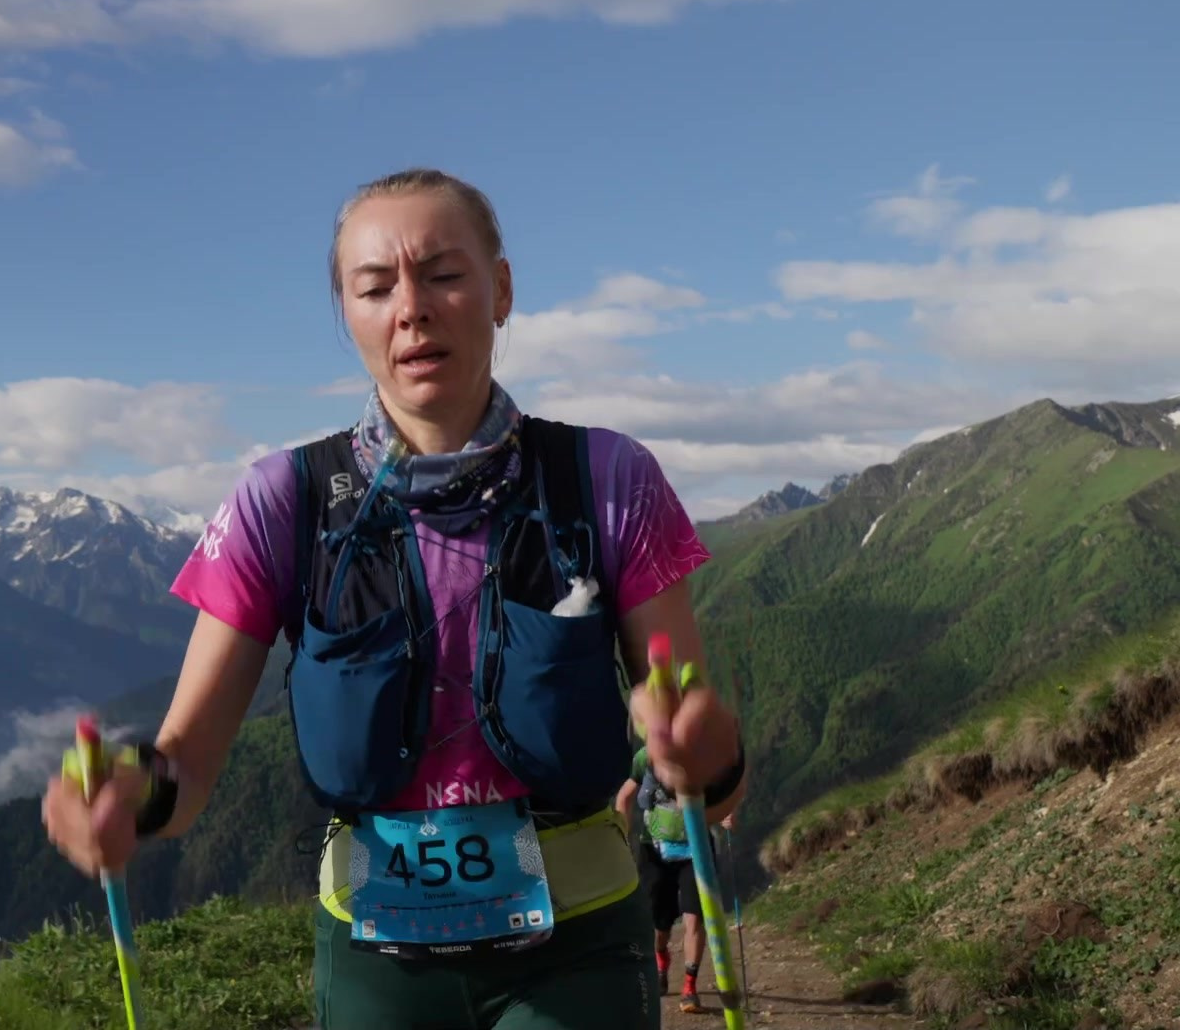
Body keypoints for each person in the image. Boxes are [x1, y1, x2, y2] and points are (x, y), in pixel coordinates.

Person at [41, 167, 747, 1029]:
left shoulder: (607, 479)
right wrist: (131, 797)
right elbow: (186, 764)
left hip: (582, 946)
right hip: (376, 959)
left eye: (444, 273)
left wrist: (702, 757)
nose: (411, 307)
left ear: (503, 290)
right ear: (348, 314)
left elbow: (695, 743)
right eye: (374, 287)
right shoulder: (283, 500)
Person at [617, 733, 723, 1015]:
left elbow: (723, 792)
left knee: (694, 917)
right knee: (659, 924)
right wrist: (622, 835)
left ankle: (690, 987)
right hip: (655, 851)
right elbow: (625, 796)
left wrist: (726, 813)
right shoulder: (645, 758)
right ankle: (661, 964)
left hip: (696, 850)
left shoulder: (703, 757)